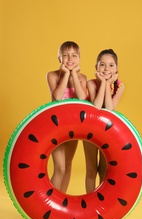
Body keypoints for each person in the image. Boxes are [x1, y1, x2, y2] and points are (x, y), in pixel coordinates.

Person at [47, 41, 87, 193]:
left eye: (74, 56)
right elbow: (57, 97)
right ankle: (50, 201)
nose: (70, 59)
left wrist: (74, 75)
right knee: (60, 167)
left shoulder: (82, 77)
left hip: (73, 126)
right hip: (55, 126)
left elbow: (82, 98)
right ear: (59, 58)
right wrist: (66, 74)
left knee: (68, 166)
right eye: (65, 55)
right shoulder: (52, 75)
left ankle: (61, 199)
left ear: (79, 59)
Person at [83, 49, 125, 193]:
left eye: (111, 65)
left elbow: (109, 108)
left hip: (107, 131)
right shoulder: (91, 83)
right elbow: (96, 107)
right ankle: (89, 202)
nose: (106, 68)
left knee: (103, 169)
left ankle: (100, 202)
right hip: (89, 129)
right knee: (91, 170)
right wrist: (103, 83)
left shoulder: (120, 86)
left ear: (116, 68)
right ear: (96, 67)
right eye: (102, 65)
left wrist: (108, 84)